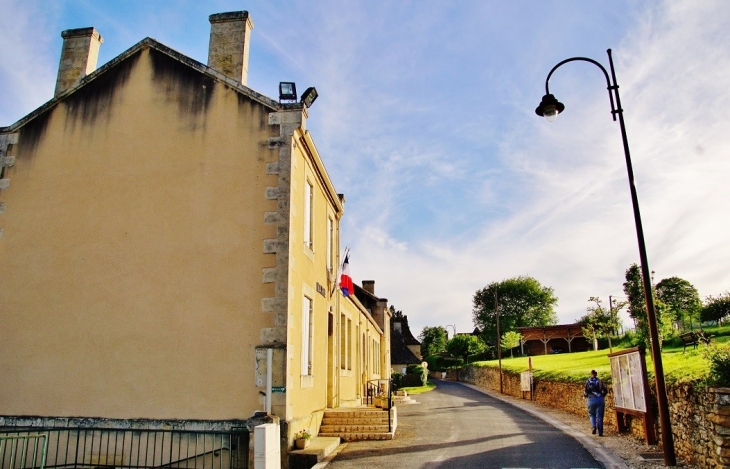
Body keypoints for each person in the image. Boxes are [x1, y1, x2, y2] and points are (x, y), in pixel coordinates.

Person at [584, 369, 608, 436]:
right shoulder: (600, 381)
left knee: (592, 414)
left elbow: (586, 392)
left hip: (591, 399)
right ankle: (600, 432)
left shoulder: (588, 381)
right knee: (600, 416)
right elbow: (605, 390)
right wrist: (602, 395)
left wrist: (586, 396)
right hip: (600, 399)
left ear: (591, 374)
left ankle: (594, 426)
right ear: (596, 374)